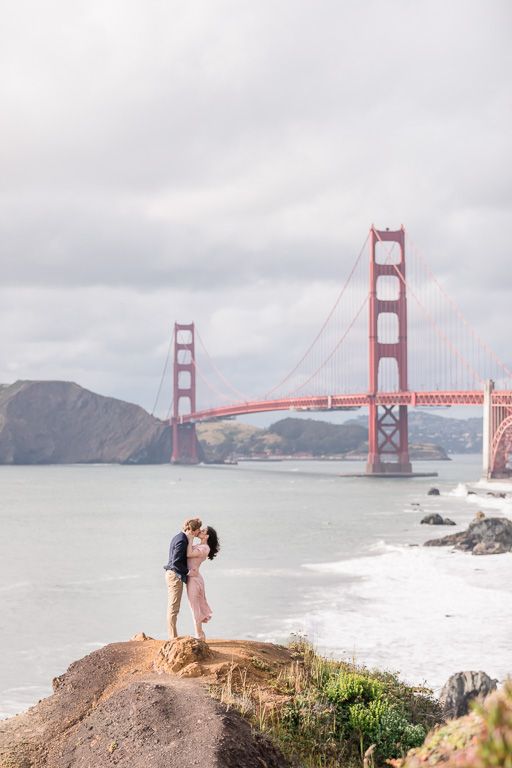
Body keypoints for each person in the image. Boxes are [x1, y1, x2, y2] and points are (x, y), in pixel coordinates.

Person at [164, 517, 201, 639]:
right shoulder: (182, 541)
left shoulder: (179, 537)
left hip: (172, 574)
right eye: (197, 530)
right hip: (175, 575)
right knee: (173, 608)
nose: (198, 533)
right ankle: (172, 638)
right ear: (191, 530)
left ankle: (172, 636)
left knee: (173, 607)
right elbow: (175, 563)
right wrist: (189, 571)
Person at [186, 526, 220, 641]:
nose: (200, 531)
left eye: (203, 531)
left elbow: (189, 554)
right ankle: (200, 633)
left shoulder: (205, 548)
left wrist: (190, 538)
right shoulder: (200, 546)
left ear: (207, 536)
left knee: (195, 606)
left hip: (194, 580)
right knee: (195, 606)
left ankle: (199, 635)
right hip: (193, 577)